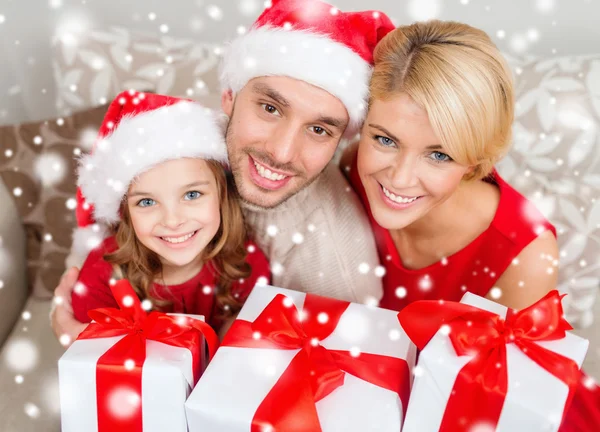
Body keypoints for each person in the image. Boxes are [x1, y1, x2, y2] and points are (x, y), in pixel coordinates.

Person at [51, 0, 395, 344]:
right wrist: (77, 317)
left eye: (319, 130)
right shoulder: (175, 137)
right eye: (270, 108)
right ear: (228, 97)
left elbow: (339, 366)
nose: (282, 152)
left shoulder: (335, 264)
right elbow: (99, 238)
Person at [341, 20, 598, 431]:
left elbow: (500, 405)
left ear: (475, 162)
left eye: (439, 155)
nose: (400, 178)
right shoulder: (348, 170)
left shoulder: (523, 253)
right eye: (385, 140)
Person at [69, 91, 270, 334]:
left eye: (192, 195)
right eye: (146, 202)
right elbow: (97, 361)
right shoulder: (102, 277)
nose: (173, 221)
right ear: (125, 213)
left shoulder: (246, 264)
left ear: (221, 194)